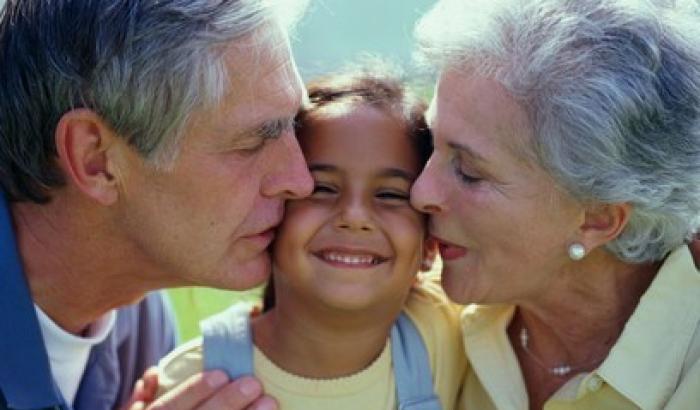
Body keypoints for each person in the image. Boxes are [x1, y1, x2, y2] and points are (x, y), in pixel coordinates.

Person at [0, 0, 312, 409]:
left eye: (296, 128)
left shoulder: (135, 318)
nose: (300, 181)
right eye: (251, 143)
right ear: (95, 159)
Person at [409, 0, 700, 409]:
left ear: (598, 218)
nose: (421, 193)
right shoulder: (420, 313)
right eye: (429, 143)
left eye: (470, 172)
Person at [153, 66, 466, 409]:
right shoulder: (195, 382)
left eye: (391, 195)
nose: (354, 217)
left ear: (430, 244)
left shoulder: (453, 332)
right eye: (322, 188)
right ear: (270, 219)